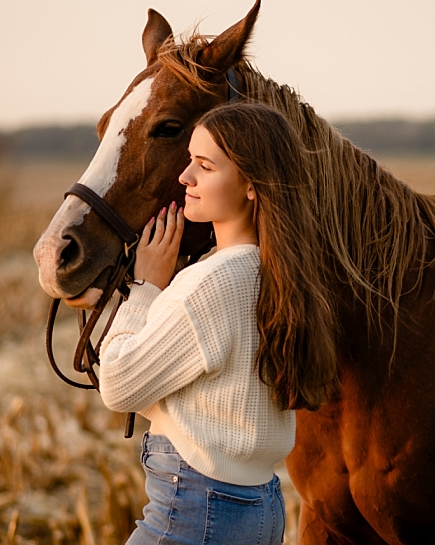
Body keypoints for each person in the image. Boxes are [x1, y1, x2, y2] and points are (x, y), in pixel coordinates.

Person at [99, 102, 338, 545]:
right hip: (260, 509)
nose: (184, 177)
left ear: (251, 184)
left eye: (204, 166)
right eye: (189, 160)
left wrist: (146, 287)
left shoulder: (212, 283)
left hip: (194, 511)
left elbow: (117, 385)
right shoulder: (284, 276)